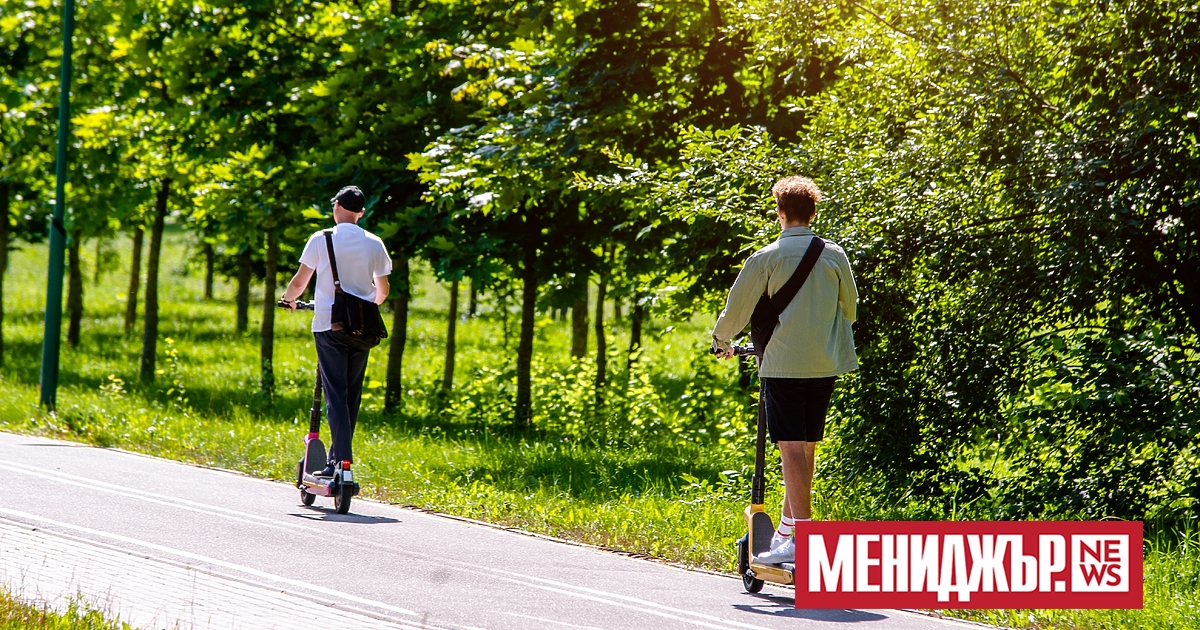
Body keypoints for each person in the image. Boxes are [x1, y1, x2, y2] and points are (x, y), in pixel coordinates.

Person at [711, 175, 858, 564]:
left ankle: (802, 539)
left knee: (789, 447)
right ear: (813, 213)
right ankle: (788, 530)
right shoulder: (835, 254)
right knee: (806, 446)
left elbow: (736, 311)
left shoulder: (766, 257)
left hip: (783, 363)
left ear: (780, 213)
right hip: (824, 362)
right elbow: (851, 308)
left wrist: (721, 341)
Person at [280, 185, 392, 477]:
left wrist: (289, 300)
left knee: (335, 395)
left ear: (337, 207)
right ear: (361, 213)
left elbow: (300, 281)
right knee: (351, 396)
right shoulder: (375, 243)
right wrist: (365, 305)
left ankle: (340, 461)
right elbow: (382, 291)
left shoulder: (322, 239)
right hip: (363, 330)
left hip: (330, 326)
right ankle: (339, 461)